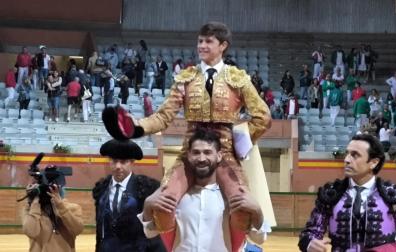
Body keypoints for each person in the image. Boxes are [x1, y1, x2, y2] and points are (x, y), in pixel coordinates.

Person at [102, 21, 271, 252]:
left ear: (223, 45)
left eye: (208, 41)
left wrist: (239, 139)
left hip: (225, 153)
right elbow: (163, 116)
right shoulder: (186, 78)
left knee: (242, 209)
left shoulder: (238, 78)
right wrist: (136, 128)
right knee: (163, 205)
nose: (202, 45)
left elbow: (263, 116)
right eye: (200, 41)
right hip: (191, 152)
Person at [139, 128, 268, 251]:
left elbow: (260, 238)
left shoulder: (230, 197)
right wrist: (147, 206)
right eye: (196, 152)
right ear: (189, 156)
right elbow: (150, 233)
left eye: (207, 152)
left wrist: (257, 210)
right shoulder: (177, 196)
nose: (201, 159)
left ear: (219, 156)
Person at [299, 134, 396, 252]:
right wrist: (310, 243)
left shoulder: (393, 196)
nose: (347, 159)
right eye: (347, 153)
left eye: (355, 155)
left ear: (373, 162)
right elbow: (309, 233)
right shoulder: (330, 194)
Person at [92, 139, 165, 252]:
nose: (118, 166)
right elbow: (100, 229)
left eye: (123, 161)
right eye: (114, 161)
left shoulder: (147, 188)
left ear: (132, 162)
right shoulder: (101, 189)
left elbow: (154, 231)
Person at [23, 180, 84, 252]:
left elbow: (78, 230)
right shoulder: (31, 209)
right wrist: (35, 202)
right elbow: (31, 232)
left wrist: (60, 206)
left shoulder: (72, 208)